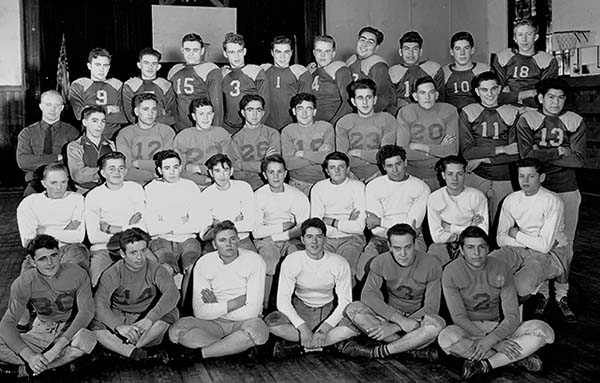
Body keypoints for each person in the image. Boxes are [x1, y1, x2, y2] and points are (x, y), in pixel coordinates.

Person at [438, 226, 555, 380]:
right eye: (470, 247)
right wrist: (493, 343)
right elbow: (459, 317)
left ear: (488, 248)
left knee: (545, 331)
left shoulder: (501, 268)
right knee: (446, 337)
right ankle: (516, 358)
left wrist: (493, 338)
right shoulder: (450, 271)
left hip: (498, 328)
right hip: (469, 330)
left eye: (481, 247)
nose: (476, 253)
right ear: (461, 249)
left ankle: (486, 364)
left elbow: (512, 316)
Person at [516, 78, 586, 285]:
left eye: (561, 97)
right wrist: (559, 152)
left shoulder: (575, 120)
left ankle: (562, 291)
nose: (556, 102)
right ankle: (541, 290)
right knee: (537, 240)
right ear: (540, 98)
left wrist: (541, 153)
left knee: (566, 243)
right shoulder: (527, 119)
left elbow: (579, 160)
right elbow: (526, 156)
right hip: (538, 189)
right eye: (551, 97)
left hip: (567, 187)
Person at [490, 158, 575, 323]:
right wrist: (527, 240)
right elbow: (501, 238)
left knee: (523, 284)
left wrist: (516, 234)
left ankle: (558, 297)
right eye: (521, 176)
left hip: (552, 250)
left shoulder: (552, 201)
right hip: (523, 246)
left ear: (541, 177)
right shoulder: (511, 199)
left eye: (531, 176)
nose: (525, 181)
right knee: (489, 265)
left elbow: (544, 246)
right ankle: (482, 312)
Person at [168, 221, 268, 359]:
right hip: (213, 323)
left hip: (243, 323)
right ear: (214, 245)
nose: (229, 244)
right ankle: (234, 348)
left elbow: (252, 311)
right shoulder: (204, 262)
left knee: (256, 331)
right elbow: (200, 313)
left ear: (238, 241)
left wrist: (216, 306)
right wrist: (233, 304)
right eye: (222, 240)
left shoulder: (255, 261)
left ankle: (201, 354)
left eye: (233, 239)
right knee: (176, 332)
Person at [0, 235, 96, 379]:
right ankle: (46, 366)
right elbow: (7, 323)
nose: (50, 263)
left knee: (86, 339)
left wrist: (56, 349)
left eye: (53, 256)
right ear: (32, 261)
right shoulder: (24, 282)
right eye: (42, 258)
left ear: (60, 255)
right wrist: (29, 356)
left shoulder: (77, 273)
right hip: (44, 329)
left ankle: (25, 370)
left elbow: (86, 312)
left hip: (71, 329)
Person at [344, 224, 444, 361]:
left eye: (407, 247)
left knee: (435, 326)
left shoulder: (431, 264)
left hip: (418, 321)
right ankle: (409, 348)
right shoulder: (380, 261)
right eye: (397, 248)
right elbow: (367, 294)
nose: (403, 254)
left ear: (415, 244)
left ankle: (382, 350)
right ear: (389, 247)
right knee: (353, 309)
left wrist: (395, 326)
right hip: (390, 316)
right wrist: (397, 320)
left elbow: (432, 307)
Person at [265, 218, 356, 357]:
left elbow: (345, 301)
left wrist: (324, 328)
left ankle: (303, 346)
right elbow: (282, 300)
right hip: (301, 308)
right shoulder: (292, 260)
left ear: (325, 239)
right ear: (302, 239)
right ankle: (325, 345)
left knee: (354, 327)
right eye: (309, 237)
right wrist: (301, 327)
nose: (314, 242)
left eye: (319, 237)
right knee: (270, 323)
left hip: (328, 310)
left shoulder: (339, 263)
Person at [92, 228, 178, 361]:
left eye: (143, 251)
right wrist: (117, 326)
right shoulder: (112, 273)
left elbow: (172, 293)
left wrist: (149, 319)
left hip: (147, 321)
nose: (140, 257)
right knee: (93, 322)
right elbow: (99, 302)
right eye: (133, 252)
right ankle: (136, 353)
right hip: (121, 318)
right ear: (122, 253)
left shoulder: (155, 268)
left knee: (171, 310)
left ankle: (124, 350)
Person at [358, 145, 430, 281]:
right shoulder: (374, 186)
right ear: (383, 167)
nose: (395, 170)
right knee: (363, 271)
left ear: (405, 162)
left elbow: (410, 229)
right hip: (381, 238)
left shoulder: (421, 187)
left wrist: (381, 221)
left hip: (412, 239)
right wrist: (379, 225)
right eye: (390, 166)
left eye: (398, 164)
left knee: (413, 274)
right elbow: (376, 230)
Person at [460, 71, 519, 222]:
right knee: (472, 223)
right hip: (475, 175)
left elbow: (515, 152)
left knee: (501, 224)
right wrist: (501, 149)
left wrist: (482, 159)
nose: (490, 94)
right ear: (477, 91)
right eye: (484, 90)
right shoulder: (468, 112)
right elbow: (467, 152)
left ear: (499, 89)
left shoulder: (513, 112)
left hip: (504, 176)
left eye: (493, 89)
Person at [253, 154, 310, 309]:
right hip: (266, 239)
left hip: (291, 238)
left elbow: (302, 228)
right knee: (269, 263)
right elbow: (257, 232)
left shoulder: (298, 196)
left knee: (296, 261)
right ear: (265, 175)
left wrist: (283, 234)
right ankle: (264, 307)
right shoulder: (258, 196)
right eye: (271, 172)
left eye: (279, 172)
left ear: (285, 173)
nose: (276, 176)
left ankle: (293, 305)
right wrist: (282, 227)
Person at [145, 150, 208, 286]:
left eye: (175, 167)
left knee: (193, 269)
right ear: (160, 170)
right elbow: (152, 228)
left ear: (180, 167)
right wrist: (180, 221)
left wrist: (166, 223)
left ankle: (186, 307)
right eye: (167, 168)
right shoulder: (151, 189)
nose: (172, 172)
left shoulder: (190, 187)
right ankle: (168, 306)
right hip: (161, 240)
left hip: (188, 239)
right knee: (165, 270)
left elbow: (197, 224)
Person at [84, 152, 146, 286]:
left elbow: (143, 229)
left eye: (121, 168)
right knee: (97, 282)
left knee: (152, 276)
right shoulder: (93, 196)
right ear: (102, 173)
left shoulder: (136, 189)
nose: (117, 172)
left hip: (134, 247)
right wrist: (129, 228)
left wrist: (110, 229)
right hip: (103, 248)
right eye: (111, 168)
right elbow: (94, 237)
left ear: (126, 171)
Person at [17, 162, 88, 272]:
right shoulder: (29, 203)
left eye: (63, 182)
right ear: (44, 183)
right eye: (53, 183)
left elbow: (78, 237)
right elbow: (28, 241)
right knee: (28, 281)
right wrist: (65, 232)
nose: (59, 187)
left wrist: (44, 230)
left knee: (74, 272)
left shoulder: (77, 199)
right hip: (40, 251)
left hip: (70, 249)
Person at [310, 152, 366, 282]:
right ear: (326, 171)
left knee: (346, 270)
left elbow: (358, 227)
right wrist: (347, 223)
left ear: (348, 169)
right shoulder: (319, 188)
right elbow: (316, 225)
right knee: (319, 271)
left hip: (351, 239)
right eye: (332, 167)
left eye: (341, 166)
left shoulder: (358, 187)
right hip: (325, 239)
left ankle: (345, 302)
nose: (337, 170)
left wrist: (330, 221)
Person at [397, 76, 459, 191]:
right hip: (412, 174)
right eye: (422, 93)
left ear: (437, 95)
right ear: (415, 96)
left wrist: (420, 146)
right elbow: (402, 152)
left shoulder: (449, 111)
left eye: (431, 92)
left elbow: (451, 151)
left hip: (440, 175)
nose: (427, 97)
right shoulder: (406, 112)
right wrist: (439, 149)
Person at [427, 156, 488, 266]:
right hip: (444, 244)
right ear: (443, 175)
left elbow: (483, 233)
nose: (454, 179)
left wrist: (450, 228)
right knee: (433, 256)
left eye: (459, 174)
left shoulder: (477, 196)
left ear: (464, 174)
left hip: (470, 244)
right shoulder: (434, 198)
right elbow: (436, 237)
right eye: (450, 174)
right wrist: (470, 227)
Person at [16, 90, 79, 196]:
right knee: (28, 204)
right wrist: (57, 157)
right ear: (41, 106)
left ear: (62, 108)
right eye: (48, 104)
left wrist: (37, 160)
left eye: (57, 105)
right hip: (35, 182)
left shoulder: (71, 132)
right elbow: (23, 161)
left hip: (63, 182)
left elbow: (74, 162)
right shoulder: (27, 133)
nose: (52, 109)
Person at [335, 78, 397, 182]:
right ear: (353, 101)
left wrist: (358, 153)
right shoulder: (344, 122)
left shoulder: (387, 119)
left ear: (375, 99)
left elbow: (386, 157)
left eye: (368, 97)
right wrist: (350, 176)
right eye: (360, 98)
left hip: (381, 175)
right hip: (351, 176)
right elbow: (342, 159)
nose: (365, 102)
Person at [491, 19, 558, 107]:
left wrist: (517, 98)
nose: (524, 39)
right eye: (520, 35)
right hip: (507, 107)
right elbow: (497, 92)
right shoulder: (502, 57)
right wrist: (529, 93)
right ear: (514, 38)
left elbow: (545, 93)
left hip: (534, 107)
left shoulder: (547, 61)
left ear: (536, 37)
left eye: (529, 34)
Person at [280, 93, 334, 195]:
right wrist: (317, 155)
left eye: (308, 108)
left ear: (314, 112)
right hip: (297, 183)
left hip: (325, 182)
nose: (304, 113)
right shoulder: (287, 131)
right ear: (293, 111)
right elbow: (289, 164)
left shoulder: (326, 127)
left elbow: (329, 159)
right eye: (300, 109)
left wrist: (302, 154)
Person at [167, 33, 223, 131]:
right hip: (181, 128)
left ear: (202, 51)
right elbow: (172, 103)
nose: (191, 54)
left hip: (204, 127)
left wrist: (216, 131)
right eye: (187, 50)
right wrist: (176, 127)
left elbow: (217, 105)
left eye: (195, 50)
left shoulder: (210, 70)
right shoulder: (174, 71)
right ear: (182, 50)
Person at [201, 154, 256, 252]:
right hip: (217, 241)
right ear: (211, 173)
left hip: (241, 239)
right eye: (217, 171)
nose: (222, 175)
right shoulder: (206, 194)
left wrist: (218, 225)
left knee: (253, 261)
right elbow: (203, 234)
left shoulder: (244, 188)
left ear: (231, 171)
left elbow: (251, 224)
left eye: (225, 170)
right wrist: (235, 222)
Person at [116, 93, 175, 185]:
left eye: (154, 109)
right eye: (145, 109)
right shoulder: (125, 133)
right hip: (133, 182)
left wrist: (139, 163)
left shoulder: (166, 131)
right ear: (136, 111)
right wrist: (153, 174)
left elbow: (169, 164)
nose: (150, 114)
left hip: (162, 183)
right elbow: (124, 169)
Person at [173, 97, 231, 189]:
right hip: (191, 184)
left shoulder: (222, 134)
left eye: (208, 114)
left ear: (213, 115)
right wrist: (203, 180)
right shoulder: (183, 136)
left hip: (218, 183)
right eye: (201, 114)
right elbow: (179, 170)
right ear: (194, 116)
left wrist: (198, 169)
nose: (206, 118)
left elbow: (228, 166)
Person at [69, 47, 126, 139]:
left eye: (105, 65)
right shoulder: (79, 84)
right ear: (89, 66)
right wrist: (108, 109)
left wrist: (91, 114)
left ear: (109, 67)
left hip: (113, 136)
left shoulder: (117, 84)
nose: (102, 69)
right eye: (97, 65)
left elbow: (124, 116)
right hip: (89, 137)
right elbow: (80, 115)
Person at [229, 94, 281, 190]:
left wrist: (242, 165)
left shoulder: (272, 133)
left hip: (270, 186)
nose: (254, 114)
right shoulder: (235, 139)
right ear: (243, 113)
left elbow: (274, 166)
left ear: (263, 113)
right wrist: (263, 163)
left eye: (258, 110)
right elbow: (237, 174)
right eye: (250, 110)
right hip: (246, 187)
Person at [221, 32, 269, 134]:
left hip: (250, 127)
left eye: (239, 51)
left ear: (245, 51)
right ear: (225, 54)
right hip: (228, 128)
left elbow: (266, 104)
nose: (236, 56)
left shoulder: (255, 71)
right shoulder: (222, 74)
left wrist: (256, 129)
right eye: (231, 52)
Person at [261, 36, 312, 130]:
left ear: (291, 53)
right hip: (267, 125)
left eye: (286, 52)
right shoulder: (263, 71)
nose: (282, 56)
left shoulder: (299, 73)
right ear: (272, 53)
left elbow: (304, 104)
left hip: (292, 125)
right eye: (278, 52)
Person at [345, 26, 396, 114]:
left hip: (376, 111)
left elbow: (382, 98)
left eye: (370, 42)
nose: (364, 44)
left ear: (376, 47)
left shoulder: (378, 65)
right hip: (356, 106)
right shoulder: (352, 59)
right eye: (362, 40)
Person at [389, 31, 444, 110]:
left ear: (420, 52)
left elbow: (440, 100)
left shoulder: (434, 69)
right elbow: (390, 104)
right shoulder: (393, 71)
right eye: (406, 49)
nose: (410, 53)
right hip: (403, 115)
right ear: (400, 52)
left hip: (428, 114)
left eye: (415, 49)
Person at [66, 105, 115, 193]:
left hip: (109, 190)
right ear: (85, 122)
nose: (99, 125)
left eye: (103, 121)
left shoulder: (111, 144)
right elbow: (78, 176)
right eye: (94, 121)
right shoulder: (75, 146)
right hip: (84, 191)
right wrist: (107, 171)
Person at [122, 47, 176, 127]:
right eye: (146, 63)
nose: (150, 67)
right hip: (139, 129)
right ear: (139, 65)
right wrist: (160, 112)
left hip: (161, 127)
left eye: (154, 63)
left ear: (158, 66)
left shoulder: (165, 85)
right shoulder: (130, 85)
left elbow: (170, 113)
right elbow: (130, 115)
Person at [310, 35, 353, 124]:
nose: (322, 55)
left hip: (334, 124)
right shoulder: (311, 71)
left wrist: (334, 125)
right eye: (319, 51)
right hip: (313, 125)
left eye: (327, 51)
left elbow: (348, 102)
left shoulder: (340, 70)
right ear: (314, 53)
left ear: (333, 54)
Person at [442, 31, 490, 110]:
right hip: (452, 118)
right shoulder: (443, 72)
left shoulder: (484, 70)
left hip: (478, 118)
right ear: (451, 52)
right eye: (458, 49)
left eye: (466, 48)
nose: (462, 53)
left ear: (472, 50)